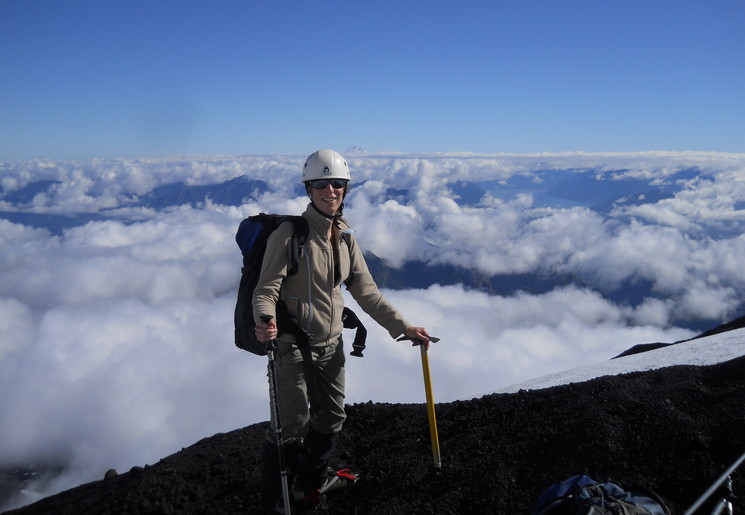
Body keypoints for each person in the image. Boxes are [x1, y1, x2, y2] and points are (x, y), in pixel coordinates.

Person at [253, 149, 430, 512]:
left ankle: (311, 486)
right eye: (321, 183)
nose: (329, 190)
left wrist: (404, 328)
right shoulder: (289, 235)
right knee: (291, 426)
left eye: (336, 183)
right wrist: (265, 320)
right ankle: (273, 501)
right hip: (290, 348)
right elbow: (265, 289)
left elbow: (367, 293)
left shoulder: (345, 237)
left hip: (332, 345)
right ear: (309, 189)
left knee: (332, 417)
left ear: (345, 189)